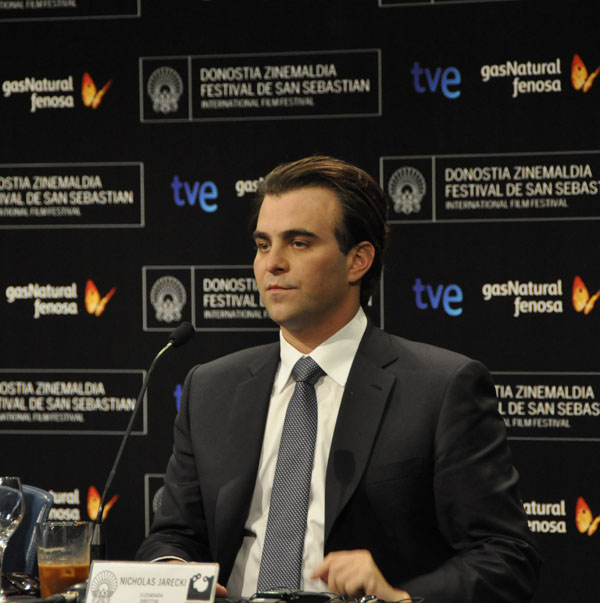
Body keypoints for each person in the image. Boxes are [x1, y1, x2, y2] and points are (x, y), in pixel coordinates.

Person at [137, 156, 541, 602]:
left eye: (299, 243)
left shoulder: (441, 389)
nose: (273, 264)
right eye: (263, 244)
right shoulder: (210, 388)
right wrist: (173, 574)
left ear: (358, 260)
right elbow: (174, 535)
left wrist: (397, 596)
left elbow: (506, 556)